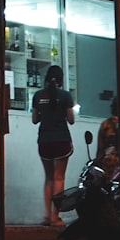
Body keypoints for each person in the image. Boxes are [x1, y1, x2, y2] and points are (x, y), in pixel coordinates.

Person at [31, 65, 75, 226]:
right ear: (61, 79)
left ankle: (47, 216)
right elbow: (71, 120)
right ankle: (56, 217)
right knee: (59, 178)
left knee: (48, 178)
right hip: (61, 140)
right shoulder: (65, 96)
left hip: (44, 141)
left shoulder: (38, 95)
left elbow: (35, 119)